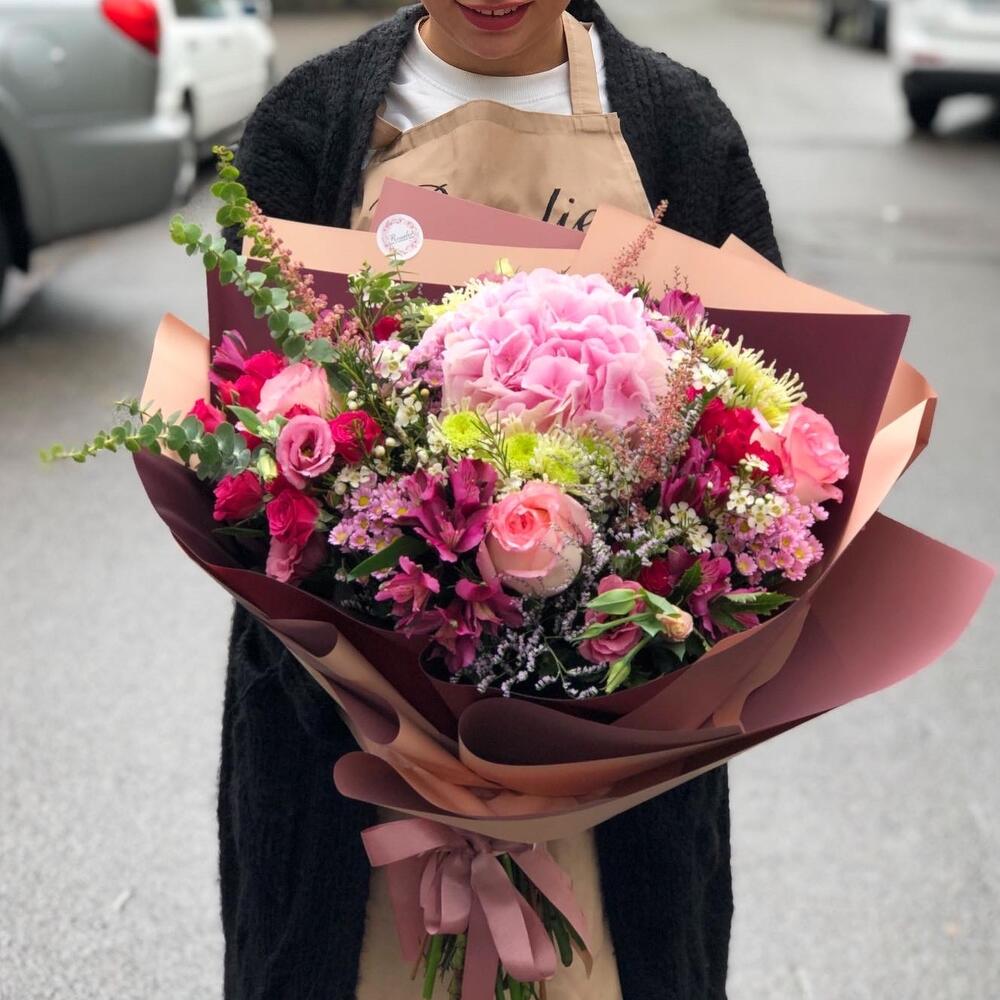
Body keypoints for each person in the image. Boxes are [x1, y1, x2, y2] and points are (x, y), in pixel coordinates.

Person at [221, 2, 781, 998]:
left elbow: (764, 442)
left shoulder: (680, 131)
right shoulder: (309, 125)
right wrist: (398, 700)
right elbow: (237, 458)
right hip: (351, 795)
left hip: (617, 819)